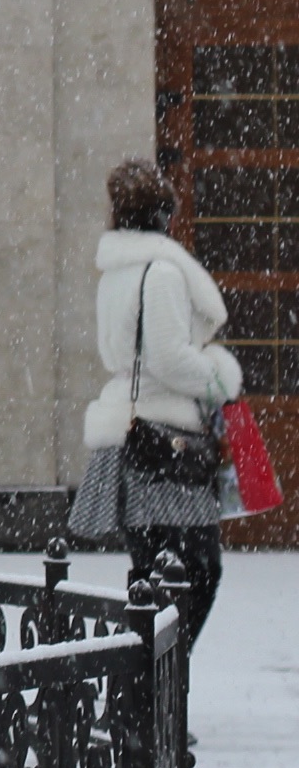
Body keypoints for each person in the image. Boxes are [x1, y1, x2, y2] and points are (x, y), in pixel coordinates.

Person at [67, 157, 236, 638]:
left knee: (152, 574)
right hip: (166, 443)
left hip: (133, 438)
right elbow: (169, 359)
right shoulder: (161, 272)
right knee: (196, 571)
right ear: (163, 217)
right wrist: (218, 379)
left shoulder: (117, 272)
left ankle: (145, 676)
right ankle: (157, 675)